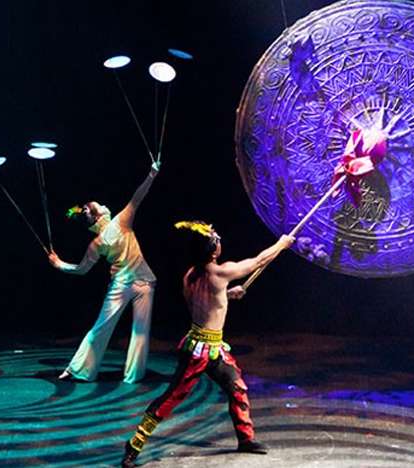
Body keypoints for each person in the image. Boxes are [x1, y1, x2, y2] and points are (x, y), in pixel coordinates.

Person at [121, 220, 294, 467]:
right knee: (171, 398)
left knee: (237, 389)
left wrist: (227, 295)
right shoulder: (220, 273)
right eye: (217, 240)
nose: (220, 242)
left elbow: (205, 303)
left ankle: (246, 439)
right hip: (198, 352)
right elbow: (258, 262)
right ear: (213, 250)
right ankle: (134, 445)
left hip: (214, 349)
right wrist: (282, 244)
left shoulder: (191, 275)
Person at [49, 162, 160, 384]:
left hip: (123, 284)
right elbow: (138, 196)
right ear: (100, 214)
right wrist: (151, 174)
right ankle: (133, 376)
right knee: (140, 332)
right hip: (144, 282)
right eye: (96, 206)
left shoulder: (97, 243)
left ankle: (80, 370)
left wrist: (59, 263)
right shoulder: (120, 221)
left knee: (101, 326)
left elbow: (81, 270)